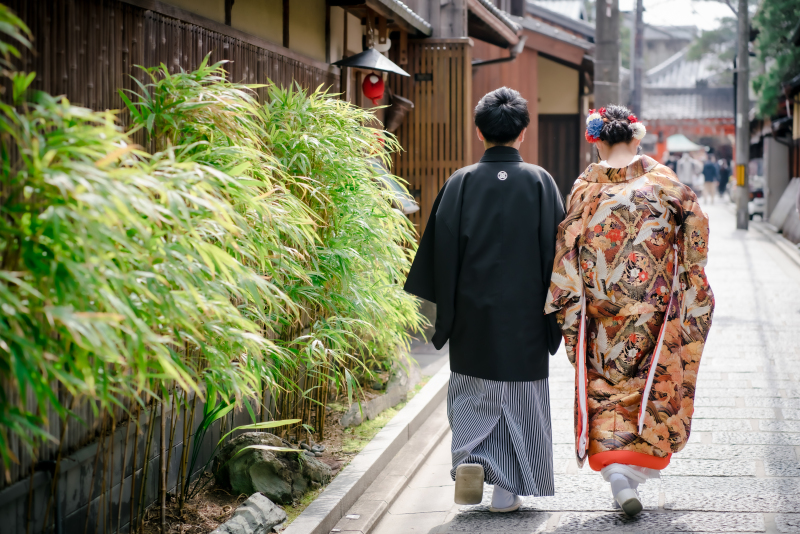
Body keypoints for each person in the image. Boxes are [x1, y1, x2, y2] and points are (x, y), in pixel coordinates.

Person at [545, 105, 715, 516]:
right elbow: (697, 229)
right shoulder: (665, 182)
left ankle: (615, 472)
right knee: (652, 381)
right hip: (654, 309)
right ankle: (628, 473)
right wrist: (688, 275)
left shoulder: (586, 187)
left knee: (603, 384)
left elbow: (566, 247)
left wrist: (570, 299)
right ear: (636, 139)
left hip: (601, 310)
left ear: (598, 141)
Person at [404, 87, 565, 513]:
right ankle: (506, 492)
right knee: (521, 401)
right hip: (527, 319)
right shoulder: (540, 182)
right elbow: (559, 255)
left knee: (473, 395)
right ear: (523, 133)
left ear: (480, 132)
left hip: (473, 316)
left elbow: (440, 253)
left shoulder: (460, 182)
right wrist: (557, 315)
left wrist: (448, 314)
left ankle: (472, 458)